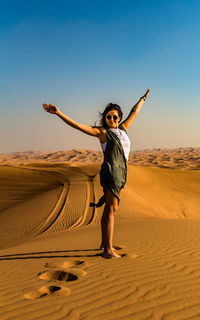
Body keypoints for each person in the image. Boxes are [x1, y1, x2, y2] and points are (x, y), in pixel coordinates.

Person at [43, 88, 150, 258]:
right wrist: (59, 113)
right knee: (111, 210)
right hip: (112, 172)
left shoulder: (123, 129)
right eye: (109, 117)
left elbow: (134, 112)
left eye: (115, 116)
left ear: (119, 118)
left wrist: (143, 98)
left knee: (110, 208)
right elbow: (79, 126)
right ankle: (108, 250)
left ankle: (104, 244)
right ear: (105, 119)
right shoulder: (102, 133)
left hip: (122, 172)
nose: (112, 119)